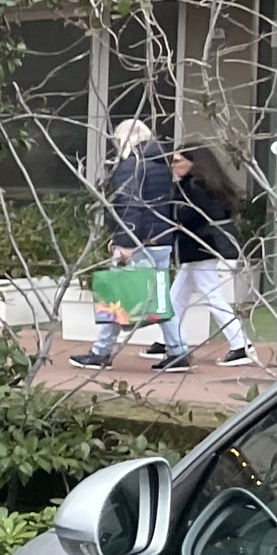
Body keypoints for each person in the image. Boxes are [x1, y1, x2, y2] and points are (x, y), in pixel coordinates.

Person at [72, 118, 189, 370]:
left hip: (138, 241)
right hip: (160, 239)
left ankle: (102, 351)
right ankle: (178, 350)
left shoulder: (131, 166)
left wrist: (123, 241)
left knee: (114, 295)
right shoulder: (161, 164)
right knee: (159, 299)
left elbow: (129, 205)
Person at [169, 145, 259, 367]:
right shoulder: (207, 184)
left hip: (201, 248)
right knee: (177, 296)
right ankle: (168, 339)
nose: (173, 165)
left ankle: (240, 345)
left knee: (211, 296)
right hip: (200, 248)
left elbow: (190, 216)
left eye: (178, 161)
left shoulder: (195, 187)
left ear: (193, 163)